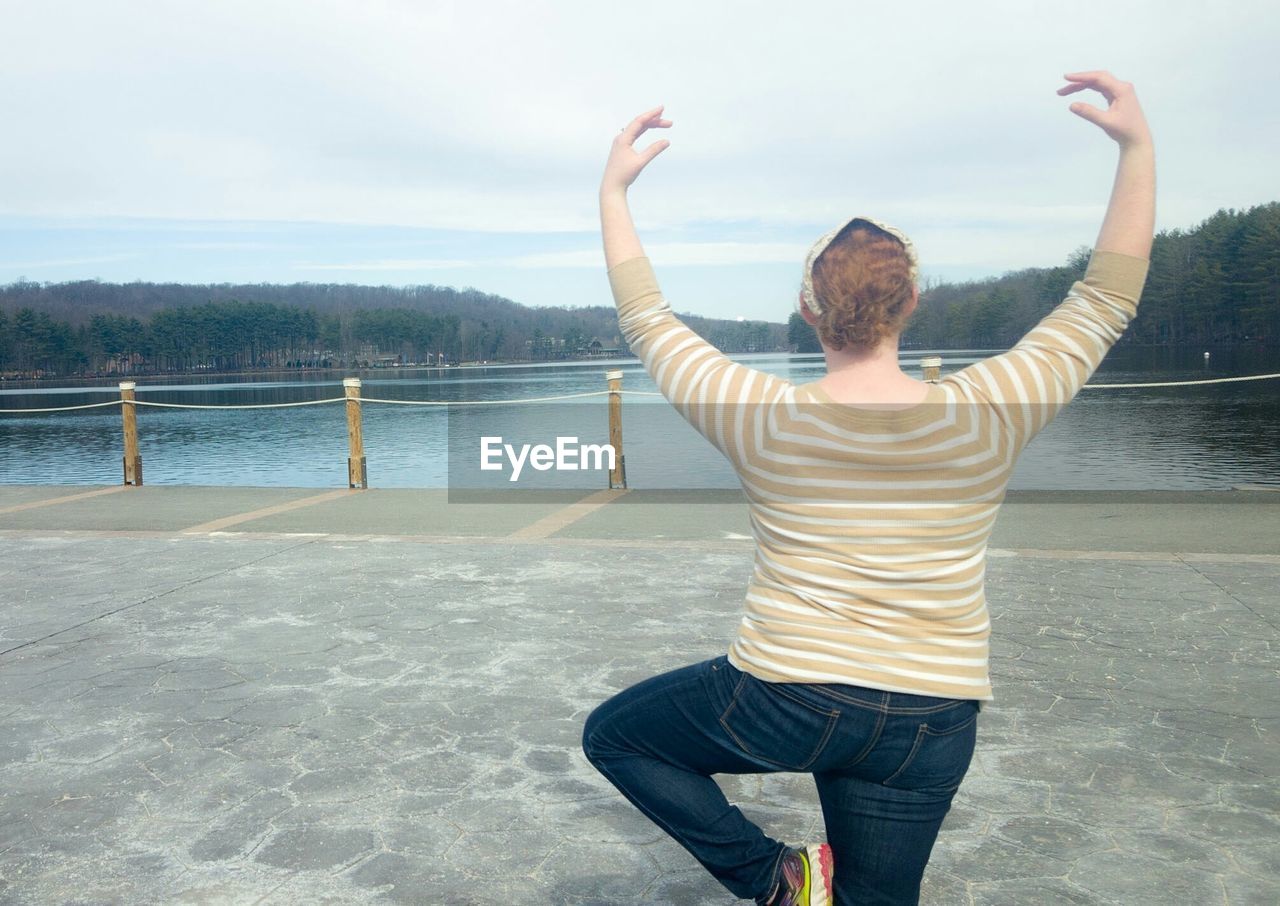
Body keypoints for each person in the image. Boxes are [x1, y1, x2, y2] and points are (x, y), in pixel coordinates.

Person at [582, 71, 1155, 905]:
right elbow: (1103, 299)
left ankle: (775, 876)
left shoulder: (760, 416)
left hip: (787, 694)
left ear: (808, 311)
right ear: (912, 303)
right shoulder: (989, 412)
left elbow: (648, 321)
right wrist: (1137, 148)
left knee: (619, 738)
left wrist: (613, 190)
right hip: (933, 716)